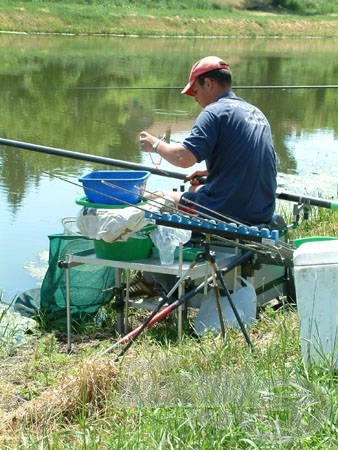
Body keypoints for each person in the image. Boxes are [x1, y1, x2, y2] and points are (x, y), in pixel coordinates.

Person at [139, 55, 277, 226]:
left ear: (209, 84)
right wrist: (212, 174)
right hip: (262, 212)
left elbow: (183, 158)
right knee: (194, 189)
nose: (195, 98)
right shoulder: (256, 113)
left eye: (195, 91)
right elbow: (254, 162)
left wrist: (155, 144)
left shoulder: (214, 112)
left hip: (228, 212)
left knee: (154, 197)